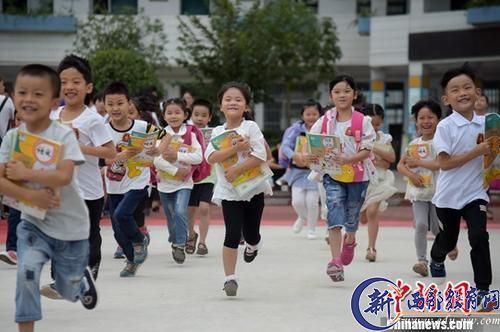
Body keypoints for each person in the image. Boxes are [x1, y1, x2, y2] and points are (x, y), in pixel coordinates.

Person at [0, 64, 98, 332]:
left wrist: (26, 172)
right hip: (34, 226)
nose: (28, 99)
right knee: (26, 275)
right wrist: (30, 195)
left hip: (71, 229)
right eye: (22, 92)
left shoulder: (63, 135)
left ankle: (80, 284)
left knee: (67, 290)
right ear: (13, 97)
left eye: (38, 94)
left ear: (54, 102)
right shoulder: (11, 139)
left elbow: (64, 176)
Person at [429, 64, 495, 312]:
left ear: (477, 93)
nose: (463, 93)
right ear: (447, 98)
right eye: (455, 90)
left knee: (479, 237)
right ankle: (437, 256)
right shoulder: (445, 127)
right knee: (449, 240)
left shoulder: (489, 124)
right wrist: (476, 152)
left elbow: (494, 155)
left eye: (467, 87)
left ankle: (483, 291)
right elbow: (444, 164)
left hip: (475, 193)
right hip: (447, 198)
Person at [47, 54, 116, 282]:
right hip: (60, 188)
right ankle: (60, 279)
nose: (69, 87)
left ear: (88, 87)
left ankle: (90, 267)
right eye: (64, 81)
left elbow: (110, 153)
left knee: (87, 233)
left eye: (75, 82)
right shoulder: (52, 116)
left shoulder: (92, 119)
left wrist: (79, 147)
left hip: (88, 190)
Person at [205, 82, 272, 296]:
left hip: (253, 188)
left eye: (238, 99)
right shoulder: (217, 131)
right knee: (232, 233)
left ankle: (254, 244)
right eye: (228, 99)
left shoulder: (250, 128)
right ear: (221, 106)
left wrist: (238, 168)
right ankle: (230, 278)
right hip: (229, 191)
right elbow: (210, 157)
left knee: (251, 233)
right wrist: (235, 148)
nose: (232, 102)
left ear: (246, 107)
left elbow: (262, 155)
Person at [309, 75, 376, 282]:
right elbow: (313, 142)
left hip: (358, 176)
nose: (342, 95)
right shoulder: (325, 121)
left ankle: (351, 239)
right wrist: (311, 155)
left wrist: (349, 159)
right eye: (337, 91)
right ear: (331, 96)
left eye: (347, 91)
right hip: (333, 175)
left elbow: (368, 148)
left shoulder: (363, 121)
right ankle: (335, 261)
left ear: (354, 95)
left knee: (352, 216)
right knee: (334, 210)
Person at [103, 82, 170, 277]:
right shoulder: (103, 130)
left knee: (121, 215)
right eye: (110, 104)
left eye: (120, 103)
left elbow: (165, 136)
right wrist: (121, 156)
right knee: (117, 231)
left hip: (138, 182)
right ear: (105, 106)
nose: (115, 108)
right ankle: (132, 259)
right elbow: (103, 159)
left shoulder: (141, 126)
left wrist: (158, 149)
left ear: (128, 104)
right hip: (114, 184)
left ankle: (140, 240)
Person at [397, 100, 455, 277]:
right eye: (421, 117)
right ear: (416, 121)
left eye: (430, 117)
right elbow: (401, 165)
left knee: (438, 228)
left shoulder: (441, 142)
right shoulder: (413, 143)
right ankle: (422, 261)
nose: (426, 121)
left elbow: (440, 164)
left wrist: (419, 163)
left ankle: (449, 245)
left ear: (438, 119)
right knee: (421, 225)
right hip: (419, 191)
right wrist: (411, 174)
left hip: (439, 191)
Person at [154, 98, 203, 264]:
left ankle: (180, 244)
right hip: (164, 184)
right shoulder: (160, 134)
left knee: (181, 211)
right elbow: (156, 160)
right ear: (164, 115)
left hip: (184, 184)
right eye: (169, 113)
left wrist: (177, 156)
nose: (173, 116)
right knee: (171, 216)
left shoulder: (191, 133)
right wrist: (176, 171)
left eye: (177, 112)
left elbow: (198, 157)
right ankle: (175, 240)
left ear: (185, 114)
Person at [359, 104, 397, 262]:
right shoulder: (356, 136)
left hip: (380, 180)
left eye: (377, 124)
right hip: (361, 180)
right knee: (362, 217)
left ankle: (371, 248)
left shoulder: (384, 138)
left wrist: (371, 146)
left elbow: (391, 159)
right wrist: (379, 158)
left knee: (373, 211)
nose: (374, 127)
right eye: (371, 124)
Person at [280, 99, 322, 239]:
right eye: (308, 114)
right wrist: (295, 156)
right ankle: (302, 217)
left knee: (312, 202)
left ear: (319, 115)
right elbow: (285, 146)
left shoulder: (323, 129)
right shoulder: (295, 130)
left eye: (314, 114)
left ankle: (312, 229)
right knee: (297, 201)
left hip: (315, 171)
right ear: (302, 115)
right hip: (297, 171)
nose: (311, 117)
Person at [187, 98, 215, 255]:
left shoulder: (215, 133)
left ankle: (203, 242)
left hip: (209, 176)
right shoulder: (186, 133)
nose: (199, 118)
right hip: (190, 176)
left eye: (203, 115)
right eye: (196, 114)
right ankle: (191, 236)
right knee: (190, 210)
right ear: (190, 115)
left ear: (209, 117)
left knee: (204, 208)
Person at [0, 110, 23, 266]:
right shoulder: (12, 136)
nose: (21, 122)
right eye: (18, 119)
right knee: (15, 216)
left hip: (39, 186)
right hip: (16, 184)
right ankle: (12, 250)